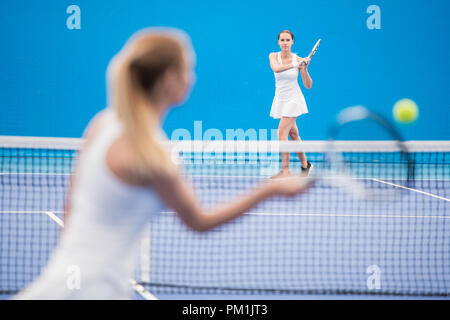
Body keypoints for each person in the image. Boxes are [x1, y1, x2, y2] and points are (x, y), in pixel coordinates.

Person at [14, 28, 311, 300]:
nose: (192, 78)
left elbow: (70, 213)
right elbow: (199, 221)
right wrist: (268, 191)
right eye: (189, 69)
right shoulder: (152, 155)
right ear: (170, 79)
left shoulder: (101, 125)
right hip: (97, 291)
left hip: (55, 283)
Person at [269, 30, 313, 178]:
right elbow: (276, 68)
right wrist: (296, 64)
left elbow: (308, 85)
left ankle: (285, 171)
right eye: (282, 40)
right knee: (294, 134)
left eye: (288, 40)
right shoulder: (273, 56)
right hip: (281, 99)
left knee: (281, 133)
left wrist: (304, 68)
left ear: (292, 42)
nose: (285, 43)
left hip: (294, 100)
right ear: (278, 42)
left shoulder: (299, 60)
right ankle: (306, 166)